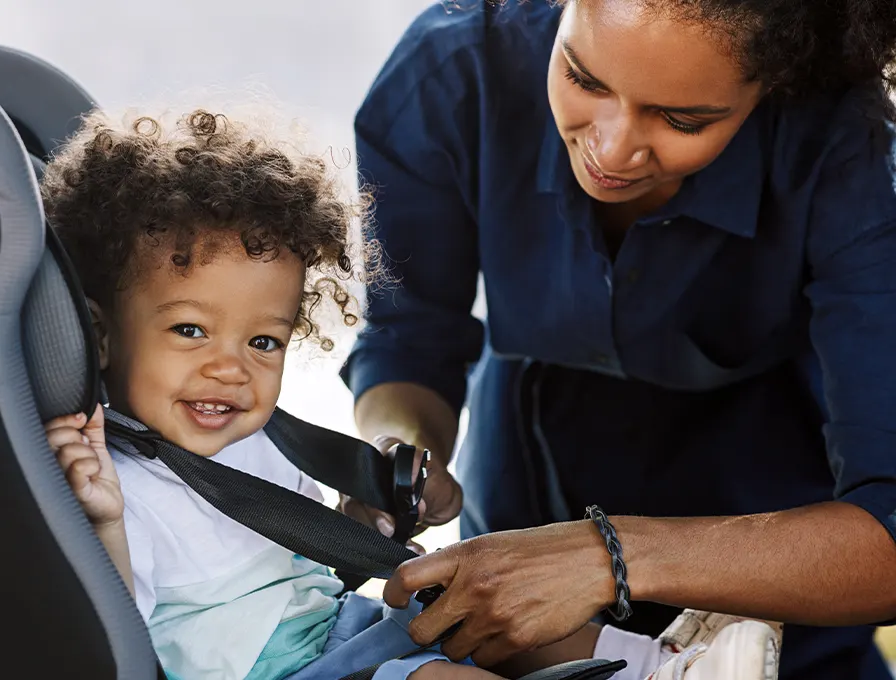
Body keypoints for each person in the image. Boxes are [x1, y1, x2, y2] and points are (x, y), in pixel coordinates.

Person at [38, 107, 781, 680]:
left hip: (338, 628)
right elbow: (114, 638)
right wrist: (102, 521)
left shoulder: (248, 437)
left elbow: (294, 565)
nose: (232, 369)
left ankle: (662, 667)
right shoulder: (112, 483)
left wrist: (357, 521)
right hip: (275, 672)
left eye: (263, 342)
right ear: (100, 335)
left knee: (490, 592)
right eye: (192, 331)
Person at [338, 0, 896, 678]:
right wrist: (398, 453)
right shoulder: (452, 70)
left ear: (775, 82)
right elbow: (410, 337)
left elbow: (888, 528)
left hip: (777, 551)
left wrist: (609, 556)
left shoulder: (853, 145)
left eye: (681, 118)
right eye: (584, 78)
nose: (611, 148)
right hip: (516, 526)